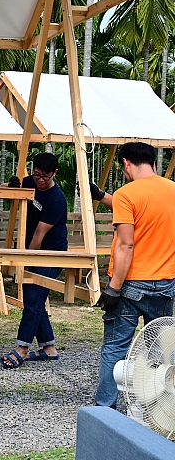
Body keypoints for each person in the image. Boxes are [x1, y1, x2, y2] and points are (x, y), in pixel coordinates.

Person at [95, 142, 175, 408]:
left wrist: (113, 289)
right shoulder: (173, 190)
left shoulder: (127, 194)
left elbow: (126, 244)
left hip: (131, 285)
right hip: (166, 283)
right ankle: (160, 404)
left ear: (127, 163)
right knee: (161, 349)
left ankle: (106, 408)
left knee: (116, 347)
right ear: (153, 162)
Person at [0, 152, 68, 369]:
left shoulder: (57, 200)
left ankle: (22, 348)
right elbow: (3, 190)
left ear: (54, 173)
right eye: (37, 174)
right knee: (34, 299)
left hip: (51, 253)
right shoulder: (30, 182)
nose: (40, 180)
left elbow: (39, 236)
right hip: (34, 249)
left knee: (34, 298)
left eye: (45, 176)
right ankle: (49, 349)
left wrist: (26, 261)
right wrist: (11, 185)